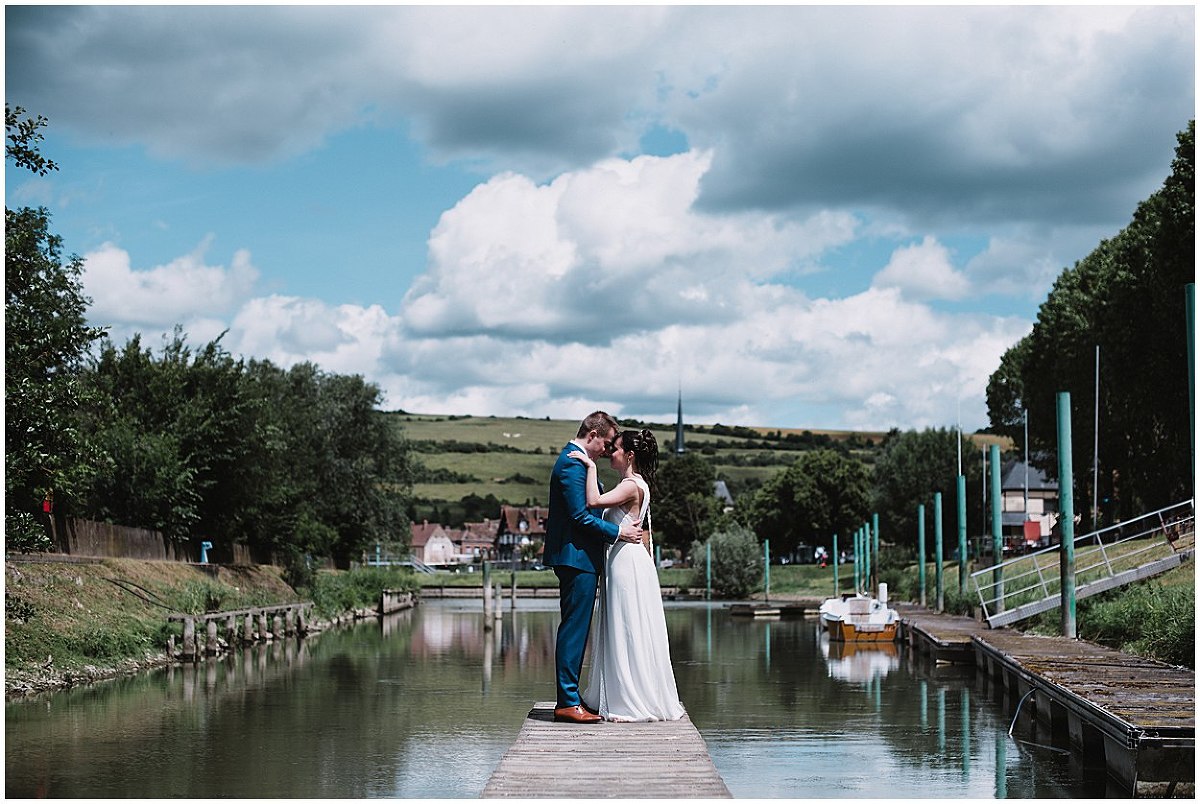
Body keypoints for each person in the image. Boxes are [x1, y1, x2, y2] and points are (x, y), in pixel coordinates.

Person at [569, 428, 685, 722]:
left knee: (625, 624)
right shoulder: (638, 484)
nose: (611, 452)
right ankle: (623, 691)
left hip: (625, 563)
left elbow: (592, 502)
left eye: (616, 449)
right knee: (627, 624)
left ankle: (626, 699)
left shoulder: (631, 485)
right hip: (626, 560)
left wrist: (590, 465)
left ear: (630, 455)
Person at [543, 411, 644, 724]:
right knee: (574, 630)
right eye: (607, 442)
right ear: (593, 435)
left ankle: (571, 699)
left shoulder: (576, 462)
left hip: (580, 558)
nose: (607, 449)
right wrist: (619, 532)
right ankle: (567, 702)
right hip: (576, 559)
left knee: (576, 628)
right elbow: (579, 517)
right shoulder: (573, 464)